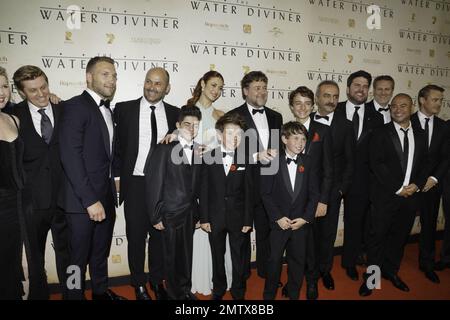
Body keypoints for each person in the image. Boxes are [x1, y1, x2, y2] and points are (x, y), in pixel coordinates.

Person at [58, 56, 125, 300]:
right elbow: (70, 156)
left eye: (114, 75)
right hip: (81, 202)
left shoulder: (108, 110)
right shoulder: (76, 106)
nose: (112, 79)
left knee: (99, 252)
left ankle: (100, 292)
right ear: (89, 77)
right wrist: (89, 200)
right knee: (77, 259)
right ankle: (73, 296)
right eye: (105, 74)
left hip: (104, 196)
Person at [114, 67, 178, 300]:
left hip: (163, 186)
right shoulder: (123, 109)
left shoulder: (175, 114)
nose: (152, 87)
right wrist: (118, 180)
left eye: (158, 83)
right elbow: (116, 150)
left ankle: (156, 281)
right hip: (136, 184)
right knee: (136, 237)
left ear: (167, 88)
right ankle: (138, 284)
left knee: (159, 238)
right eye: (148, 81)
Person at [359, 93, 431, 296]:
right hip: (385, 196)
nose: (398, 109)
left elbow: (426, 164)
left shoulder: (420, 133)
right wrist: (398, 188)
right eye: (394, 106)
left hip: (410, 198)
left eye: (403, 105)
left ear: (412, 107)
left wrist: (416, 185)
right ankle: (372, 279)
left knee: (399, 239)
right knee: (377, 239)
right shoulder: (379, 132)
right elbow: (376, 163)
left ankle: (391, 271)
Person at [12, 65, 71, 299]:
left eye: (44, 87)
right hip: (32, 202)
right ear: (22, 92)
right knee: (34, 257)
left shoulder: (64, 109)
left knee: (70, 256)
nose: (41, 94)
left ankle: (72, 293)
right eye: (33, 90)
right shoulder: (12, 115)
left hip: (65, 199)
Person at [227, 71, 283, 280]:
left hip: (269, 185)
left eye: (264, 87)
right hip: (243, 185)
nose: (262, 92)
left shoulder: (276, 117)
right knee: (241, 233)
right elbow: (230, 151)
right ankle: (240, 274)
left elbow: (277, 152)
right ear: (245, 91)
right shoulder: (234, 117)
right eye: (257, 87)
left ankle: (265, 271)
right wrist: (255, 156)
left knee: (266, 232)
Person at [304, 81, 355, 298]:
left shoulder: (346, 125)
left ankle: (324, 270)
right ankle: (308, 273)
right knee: (305, 236)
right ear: (316, 98)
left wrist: (340, 190)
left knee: (327, 235)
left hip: (331, 192)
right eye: (326, 95)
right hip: (304, 192)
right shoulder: (303, 120)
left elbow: (350, 162)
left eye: (335, 96)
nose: (331, 100)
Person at [146, 105, 202, 300]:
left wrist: (198, 214)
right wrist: (155, 215)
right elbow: (154, 184)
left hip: (189, 214)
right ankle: (172, 295)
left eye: (196, 125)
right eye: (187, 124)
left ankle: (185, 291)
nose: (192, 129)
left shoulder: (198, 150)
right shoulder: (164, 148)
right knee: (170, 259)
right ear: (178, 125)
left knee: (186, 256)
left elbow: (197, 187)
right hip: (169, 213)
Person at [186, 71, 234, 296]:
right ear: (202, 83)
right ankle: (199, 278)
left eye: (220, 88)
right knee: (198, 228)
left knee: (215, 229)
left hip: (216, 184)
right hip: (192, 178)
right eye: (213, 85)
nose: (216, 91)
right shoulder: (186, 112)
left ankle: (219, 279)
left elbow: (231, 147)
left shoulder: (221, 115)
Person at [283, 85, 333, 299]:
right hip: (291, 199)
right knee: (294, 246)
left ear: (313, 105)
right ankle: (294, 281)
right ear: (292, 107)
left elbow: (329, 168)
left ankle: (312, 282)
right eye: (298, 103)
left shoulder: (323, 131)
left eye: (307, 103)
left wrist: (323, 199)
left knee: (312, 245)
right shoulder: (283, 130)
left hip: (314, 198)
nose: (302, 107)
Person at [261, 121, 319, 300]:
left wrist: (306, 218)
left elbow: (314, 193)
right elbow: (265, 193)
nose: (300, 142)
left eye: (303, 139)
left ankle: (294, 293)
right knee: (274, 261)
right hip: (279, 223)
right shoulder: (272, 161)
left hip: (300, 224)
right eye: (295, 138)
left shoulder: (308, 162)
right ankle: (269, 296)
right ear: (284, 139)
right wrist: (277, 217)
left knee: (297, 262)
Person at [336, 70, 384, 281]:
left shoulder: (378, 117)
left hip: (363, 180)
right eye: (357, 85)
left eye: (365, 86)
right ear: (348, 88)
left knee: (357, 223)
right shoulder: (334, 111)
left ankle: (350, 261)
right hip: (334, 178)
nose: (361, 89)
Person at [199, 113, 253, 300]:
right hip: (215, 217)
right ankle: (219, 288)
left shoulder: (246, 159)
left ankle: (238, 291)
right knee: (217, 256)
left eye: (239, 134)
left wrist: (248, 219)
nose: (234, 138)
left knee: (239, 257)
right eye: (230, 133)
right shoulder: (208, 157)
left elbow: (249, 193)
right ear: (220, 135)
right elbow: (204, 190)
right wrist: (204, 218)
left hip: (238, 218)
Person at [412, 85, 448, 284]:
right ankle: (388, 265)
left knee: (429, 226)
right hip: (408, 186)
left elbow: (445, 157)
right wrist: (413, 183)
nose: (439, 104)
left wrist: (433, 179)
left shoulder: (444, 126)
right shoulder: (406, 121)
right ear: (422, 100)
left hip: (431, 186)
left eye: (440, 100)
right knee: (396, 227)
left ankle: (427, 263)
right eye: (435, 99)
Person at [0, 67, 26, 299]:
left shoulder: (13, 118)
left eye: (5, 85)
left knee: (11, 259)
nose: (2, 92)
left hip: (17, 205)